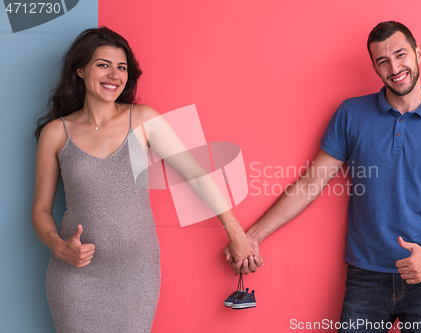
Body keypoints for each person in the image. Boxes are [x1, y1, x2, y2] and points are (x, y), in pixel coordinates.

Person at [225, 21, 421, 332]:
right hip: (366, 276)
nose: (395, 67)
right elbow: (311, 183)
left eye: (401, 54)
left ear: (418, 53)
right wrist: (251, 237)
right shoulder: (351, 114)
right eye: (383, 61)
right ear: (375, 69)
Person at [32, 27, 261, 333]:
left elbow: (195, 173)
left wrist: (234, 231)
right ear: (80, 70)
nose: (114, 74)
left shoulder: (143, 119)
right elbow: (40, 210)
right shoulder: (56, 133)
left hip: (136, 274)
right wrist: (59, 248)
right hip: (76, 276)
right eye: (103, 64)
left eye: (122, 67)